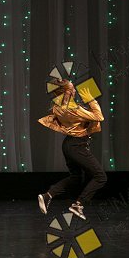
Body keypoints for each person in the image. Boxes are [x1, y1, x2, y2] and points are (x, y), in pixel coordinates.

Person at [37, 79, 106, 220]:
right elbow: (99, 117)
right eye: (71, 89)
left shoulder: (58, 106)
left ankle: (48, 195)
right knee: (100, 177)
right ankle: (78, 205)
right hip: (76, 146)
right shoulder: (72, 108)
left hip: (69, 145)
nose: (75, 91)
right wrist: (91, 99)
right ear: (65, 92)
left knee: (76, 178)